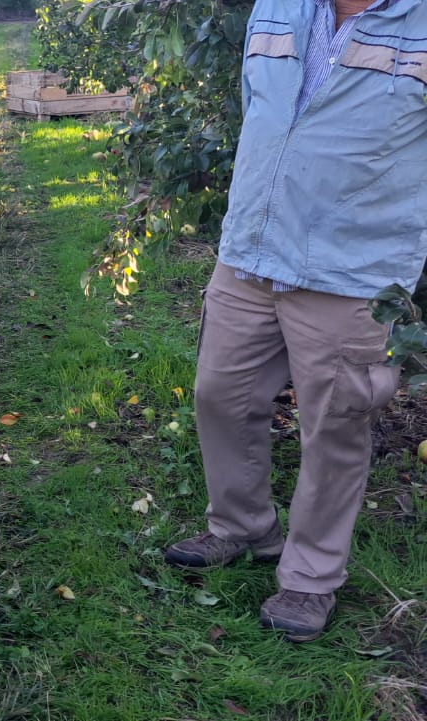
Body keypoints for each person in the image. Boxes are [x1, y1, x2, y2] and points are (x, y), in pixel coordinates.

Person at [164, 0, 427, 642]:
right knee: (218, 395)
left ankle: (309, 579)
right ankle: (242, 526)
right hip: (251, 251)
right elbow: (262, 113)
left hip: (356, 269)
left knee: (336, 425)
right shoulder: (276, 8)